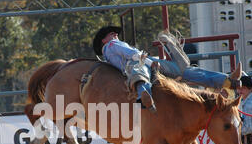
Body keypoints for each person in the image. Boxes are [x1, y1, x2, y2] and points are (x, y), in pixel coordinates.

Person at [92, 26, 242, 112]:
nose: (115, 34)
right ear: (104, 40)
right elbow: (131, 54)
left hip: (144, 66)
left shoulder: (108, 54)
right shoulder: (112, 45)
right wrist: (148, 62)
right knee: (143, 71)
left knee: (185, 72)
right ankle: (144, 95)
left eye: (115, 33)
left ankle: (227, 81)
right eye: (111, 34)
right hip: (142, 64)